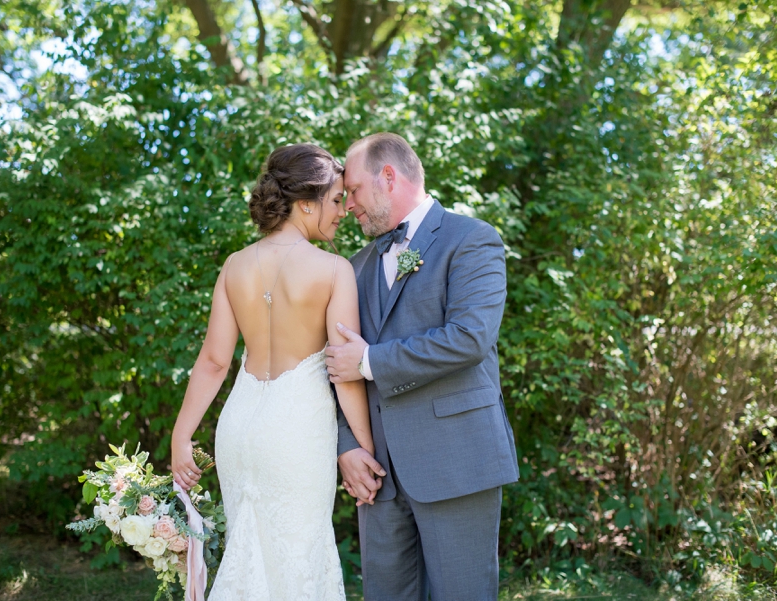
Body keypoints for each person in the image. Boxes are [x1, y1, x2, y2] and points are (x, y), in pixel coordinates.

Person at [170, 143, 381, 601]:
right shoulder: (333, 269)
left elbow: (213, 361)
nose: (343, 211)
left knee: (247, 551)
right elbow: (345, 371)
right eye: (335, 199)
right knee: (299, 552)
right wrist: (365, 449)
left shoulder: (234, 266)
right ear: (306, 203)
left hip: (239, 428)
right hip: (296, 432)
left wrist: (181, 437)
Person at [325, 132, 520, 601]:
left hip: (457, 461)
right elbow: (332, 366)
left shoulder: (472, 239)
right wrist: (347, 446)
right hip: (379, 476)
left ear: (387, 177)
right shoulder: (351, 266)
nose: (347, 204)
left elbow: (469, 338)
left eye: (352, 190)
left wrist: (371, 361)